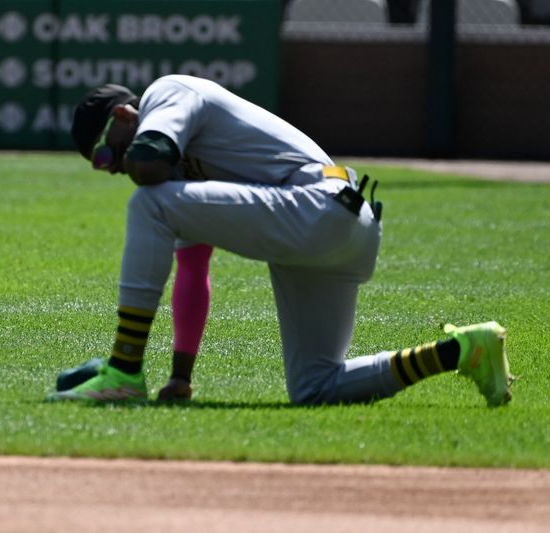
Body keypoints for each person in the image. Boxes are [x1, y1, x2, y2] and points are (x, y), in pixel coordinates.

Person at [47, 75, 513, 406]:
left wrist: (127, 367)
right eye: (103, 165)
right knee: (316, 387)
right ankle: (464, 350)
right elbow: (193, 271)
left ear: (126, 114)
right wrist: (180, 377)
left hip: (317, 204)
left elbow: (148, 159)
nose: (113, 166)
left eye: (108, 151)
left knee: (147, 203)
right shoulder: (180, 179)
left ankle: (123, 370)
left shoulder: (166, 94)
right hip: (341, 229)